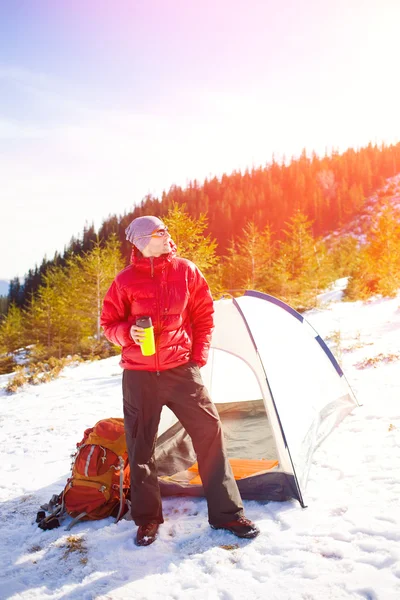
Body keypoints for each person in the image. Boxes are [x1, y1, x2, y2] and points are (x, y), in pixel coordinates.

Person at [100, 215, 259, 546]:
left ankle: (227, 513)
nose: (166, 235)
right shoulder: (125, 280)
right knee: (141, 447)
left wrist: (196, 358)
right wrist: (128, 332)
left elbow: (204, 314)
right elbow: (108, 324)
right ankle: (147, 520)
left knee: (210, 431)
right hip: (139, 375)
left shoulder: (186, 271)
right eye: (159, 232)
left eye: (166, 230)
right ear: (141, 241)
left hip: (180, 369)